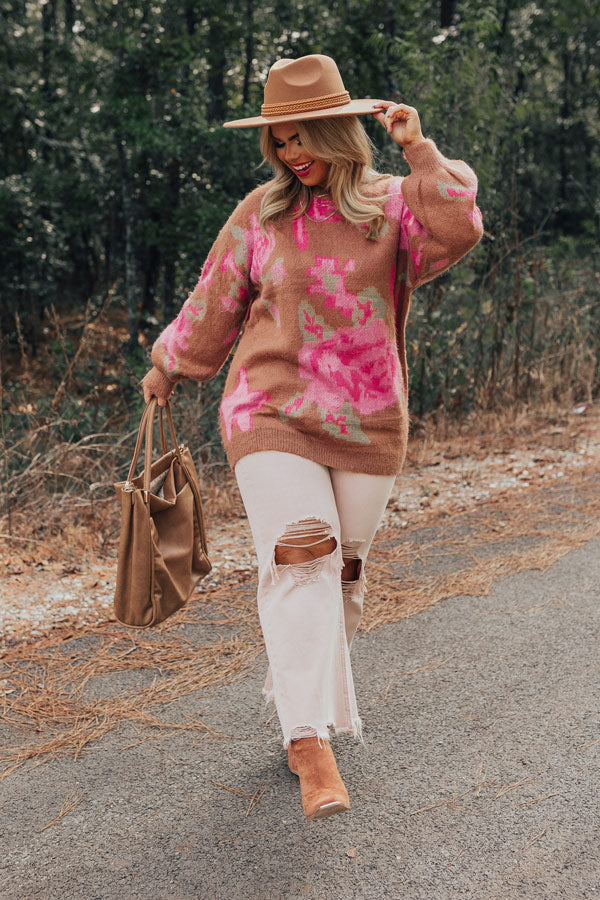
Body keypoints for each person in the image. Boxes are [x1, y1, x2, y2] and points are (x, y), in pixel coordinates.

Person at [142, 54, 483, 821]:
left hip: (368, 418)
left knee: (344, 574)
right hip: (268, 411)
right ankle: (309, 743)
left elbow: (460, 223)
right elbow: (214, 298)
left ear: (337, 131)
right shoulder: (262, 214)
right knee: (302, 554)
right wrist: (169, 363)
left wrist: (417, 148)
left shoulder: (392, 207)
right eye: (280, 139)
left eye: (303, 136)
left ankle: (297, 689)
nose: (291, 152)